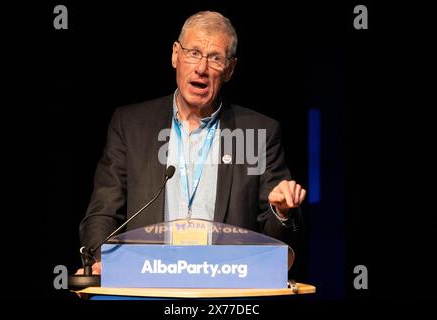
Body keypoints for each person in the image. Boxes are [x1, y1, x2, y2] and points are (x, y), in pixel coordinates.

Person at [77, 11, 306, 275]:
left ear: (230, 69)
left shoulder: (259, 133)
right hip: (145, 281)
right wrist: (99, 260)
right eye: (193, 53)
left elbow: (276, 240)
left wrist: (282, 212)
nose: (201, 68)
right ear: (175, 55)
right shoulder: (130, 125)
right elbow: (103, 213)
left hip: (226, 287)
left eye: (215, 58)